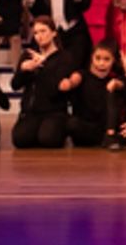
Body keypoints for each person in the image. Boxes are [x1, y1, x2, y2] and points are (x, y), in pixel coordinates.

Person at [11, 16, 81, 149]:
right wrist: (23, 70)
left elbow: (55, 90)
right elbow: (15, 85)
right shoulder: (28, 55)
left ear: (54, 33)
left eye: (43, 31)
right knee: (20, 140)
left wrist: (45, 65)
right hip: (31, 112)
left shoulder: (65, 57)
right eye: (36, 33)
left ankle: (57, 129)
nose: (39, 36)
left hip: (54, 111)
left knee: (48, 140)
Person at [69, 42, 126, 149]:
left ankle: (110, 136)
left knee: (112, 89)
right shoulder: (83, 75)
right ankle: (107, 139)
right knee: (72, 124)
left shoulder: (114, 80)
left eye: (106, 59)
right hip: (87, 128)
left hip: (106, 128)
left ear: (113, 60)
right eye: (98, 58)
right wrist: (70, 82)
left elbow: (124, 84)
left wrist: (118, 82)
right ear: (92, 58)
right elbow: (75, 79)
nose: (101, 63)